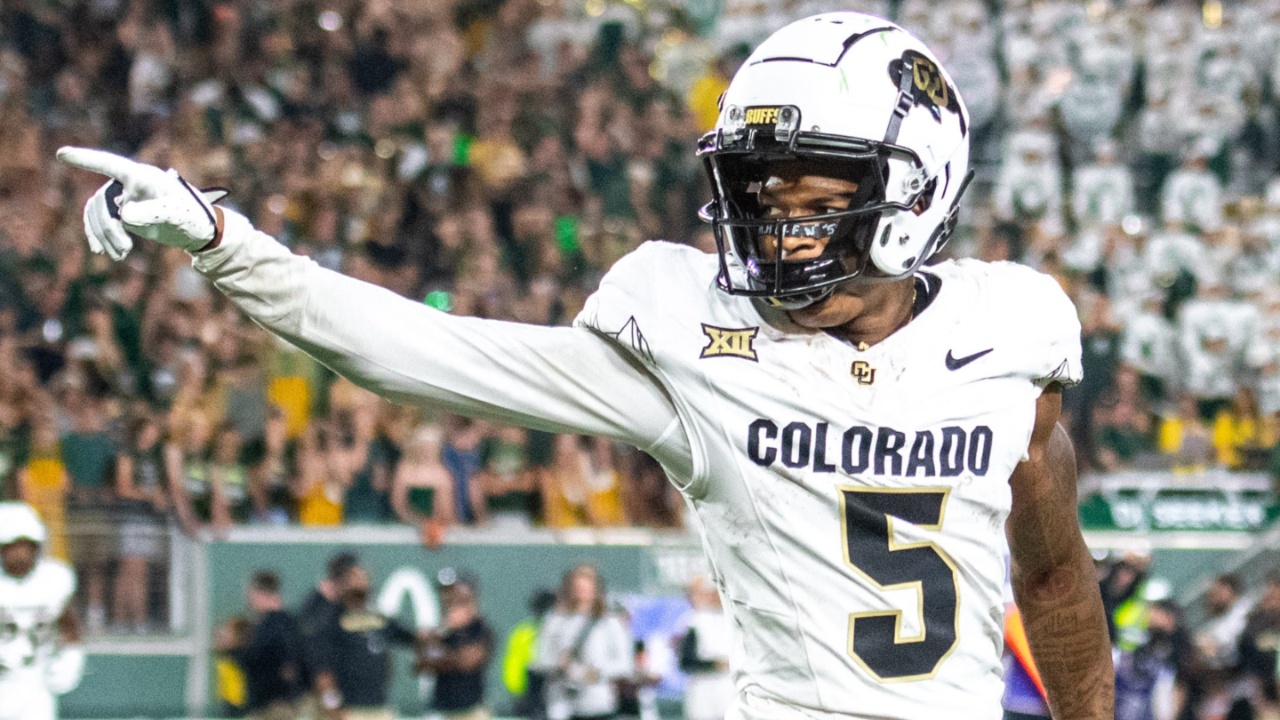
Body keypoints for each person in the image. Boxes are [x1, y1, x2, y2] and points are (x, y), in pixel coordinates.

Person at [59, 10, 1112, 719]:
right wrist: (224, 243)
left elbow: (1054, 573)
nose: (780, 227)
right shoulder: (692, 340)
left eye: (815, 193)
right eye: (760, 194)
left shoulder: (1008, 332)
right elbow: (413, 353)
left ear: (918, 182)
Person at [0, 502, 85, 720]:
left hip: (35, 688)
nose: (21, 554)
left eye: (27, 546)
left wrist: (71, 657)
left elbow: (67, 624)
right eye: (14, 546)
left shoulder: (53, 580)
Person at [311, 563, 418, 720]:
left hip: (379, 709)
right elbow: (324, 675)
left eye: (362, 577)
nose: (359, 582)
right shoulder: (332, 623)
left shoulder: (380, 621)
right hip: (350, 710)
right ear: (343, 585)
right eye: (353, 577)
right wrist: (332, 708)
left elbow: (414, 639)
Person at [536, 565, 633, 720]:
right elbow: (541, 658)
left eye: (586, 587)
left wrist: (596, 672)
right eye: (577, 587)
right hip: (562, 703)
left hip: (598, 702)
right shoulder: (556, 621)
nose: (581, 592)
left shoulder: (609, 623)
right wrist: (560, 665)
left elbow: (625, 664)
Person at [216, 570, 303, 720]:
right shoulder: (287, 623)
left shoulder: (272, 626)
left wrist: (232, 650)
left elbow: (255, 658)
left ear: (258, 593)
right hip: (278, 703)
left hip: (272, 706)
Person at [417, 574, 495, 720]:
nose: (449, 598)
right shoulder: (440, 631)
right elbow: (423, 665)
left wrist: (441, 654)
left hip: (470, 710)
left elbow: (468, 661)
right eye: (445, 593)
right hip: (441, 708)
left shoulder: (480, 628)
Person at [679, 577, 733, 720]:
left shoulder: (734, 621)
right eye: (713, 593)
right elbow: (686, 661)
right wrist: (715, 664)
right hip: (704, 694)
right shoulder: (695, 621)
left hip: (730, 693)